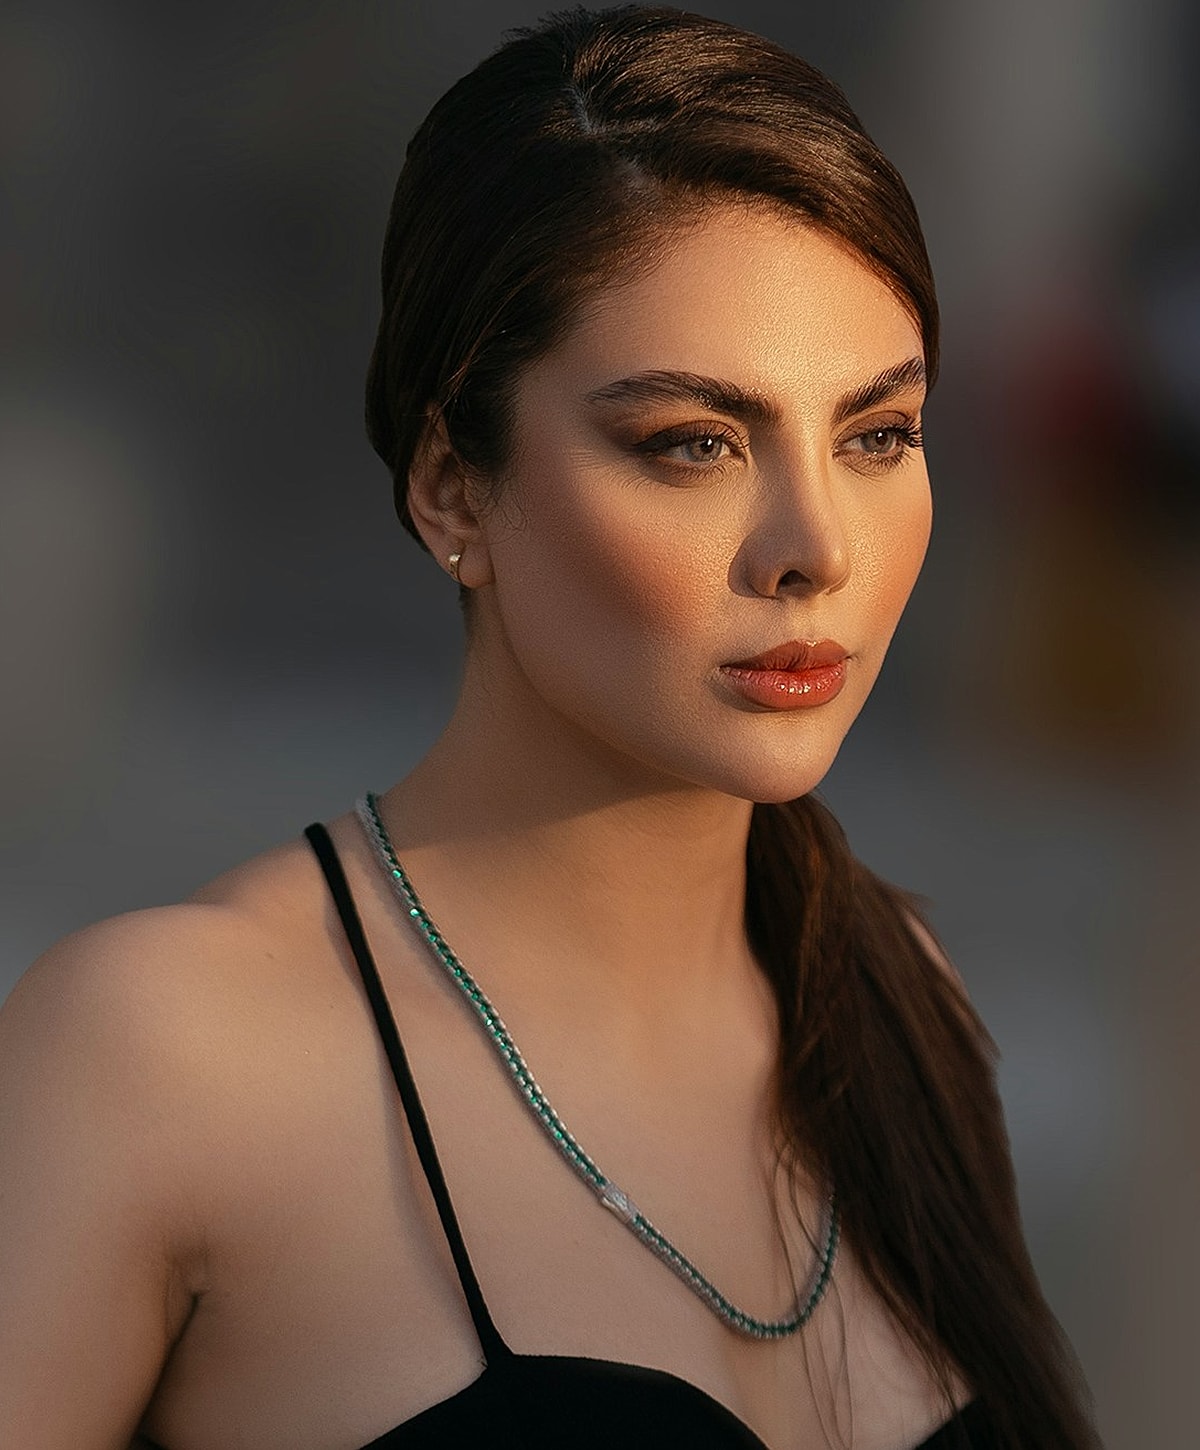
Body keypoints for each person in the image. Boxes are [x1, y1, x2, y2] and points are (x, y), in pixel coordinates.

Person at [0, 6, 1099, 1448]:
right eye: (693, 444)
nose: (814, 545)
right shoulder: (160, 1054)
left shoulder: (902, 1003)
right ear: (455, 486)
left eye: (876, 434)